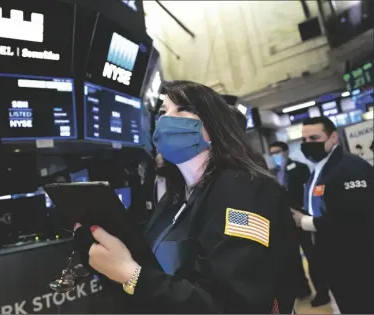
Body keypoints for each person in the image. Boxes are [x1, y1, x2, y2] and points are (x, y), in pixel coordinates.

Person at [73, 80, 300, 313]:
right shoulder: (176, 196)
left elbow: (235, 305)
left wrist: (132, 275)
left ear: (214, 125)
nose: (167, 119)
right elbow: (155, 269)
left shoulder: (245, 190)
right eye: (163, 112)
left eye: (183, 109)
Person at [291, 116, 374, 314]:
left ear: (334, 137)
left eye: (314, 138)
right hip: (334, 256)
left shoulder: (350, 169)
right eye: (304, 140)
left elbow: (353, 218)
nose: (308, 144)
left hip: (355, 259)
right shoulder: (320, 168)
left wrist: (304, 221)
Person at [269, 141, 330, 307]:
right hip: (284, 222)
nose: (275, 155)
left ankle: (322, 291)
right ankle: (302, 289)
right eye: (271, 153)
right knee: (292, 258)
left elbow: (308, 193)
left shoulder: (300, 168)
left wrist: (303, 213)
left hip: (302, 218)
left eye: (277, 151)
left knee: (313, 256)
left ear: (286, 151)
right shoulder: (270, 174)